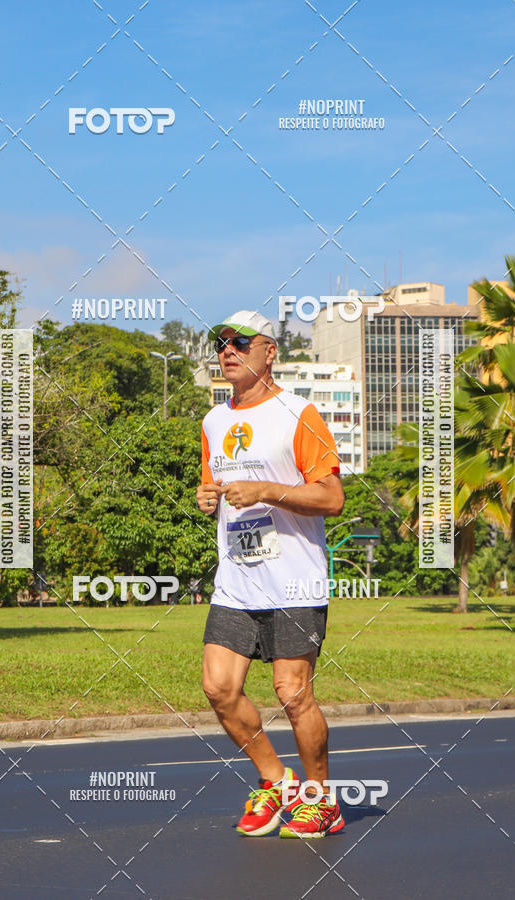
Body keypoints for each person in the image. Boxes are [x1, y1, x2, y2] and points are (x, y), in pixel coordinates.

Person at [196, 310, 346, 839]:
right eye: (220, 342)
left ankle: (320, 798)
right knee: (218, 688)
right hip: (236, 581)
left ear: (270, 352)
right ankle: (276, 782)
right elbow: (211, 490)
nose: (227, 350)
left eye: (240, 341)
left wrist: (265, 489)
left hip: (294, 581)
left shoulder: (298, 414)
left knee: (291, 692)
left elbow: (332, 497)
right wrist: (207, 499)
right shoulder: (214, 422)